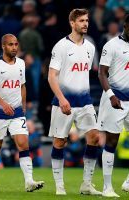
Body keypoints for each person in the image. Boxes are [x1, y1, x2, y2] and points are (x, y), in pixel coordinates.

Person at [48, 9, 101, 196]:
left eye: (87, 20)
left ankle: (86, 184)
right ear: (72, 23)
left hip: (85, 101)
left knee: (94, 137)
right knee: (59, 142)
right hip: (64, 103)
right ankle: (59, 186)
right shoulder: (61, 46)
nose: (85, 23)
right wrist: (62, 98)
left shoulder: (90, 47)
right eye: (81, 21)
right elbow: (51, 76)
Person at [0, 33, 44, 192]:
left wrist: (23, 106)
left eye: (16, 44)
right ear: (3, 46)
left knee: (23, 144)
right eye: (10, 44)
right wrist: (3, 104)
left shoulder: (21, 63)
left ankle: (29, 181)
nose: (14, 47)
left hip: (17, 112)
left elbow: (22, 85)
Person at [97, 14, 129, 197]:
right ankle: (107, 187)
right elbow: (102, 73)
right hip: (115, 100)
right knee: (111, 142)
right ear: (125, 25)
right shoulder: (111, 45)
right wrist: (110, 95)